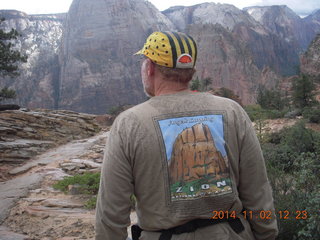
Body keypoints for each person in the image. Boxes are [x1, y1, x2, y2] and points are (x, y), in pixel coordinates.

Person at [95, 31, 278, 240]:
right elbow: (258, 190)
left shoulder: (128, 124)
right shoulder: (232, 111)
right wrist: (267, 234)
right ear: (190, 71)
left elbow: (110, 212)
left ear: (150, 68)